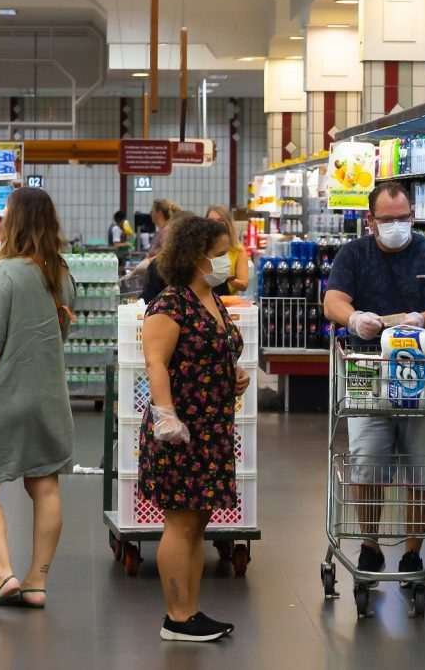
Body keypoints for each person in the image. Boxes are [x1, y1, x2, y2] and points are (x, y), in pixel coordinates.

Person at [323, 181, 425, 579]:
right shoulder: (353, 255)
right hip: (368, 371)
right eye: (387, 220)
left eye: (403, 218)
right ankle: (369, 545)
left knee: (423, 465)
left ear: (413, 217)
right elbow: (332, 299)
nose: (396, 225)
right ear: (370, 221)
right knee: (367, 462)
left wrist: (422, 319)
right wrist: (352, 318)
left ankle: (413, 552)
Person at [0, 187, 75, 616]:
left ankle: (4, 574)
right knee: (45, 484)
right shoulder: (61, 272)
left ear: (14, 222)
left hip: (2, 397)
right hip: (49, 397)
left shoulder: (3, 272)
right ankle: (37, 582)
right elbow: (60, 332)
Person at [138, 216, 251, 642]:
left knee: (197, 523)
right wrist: (166, 415)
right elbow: (156, 363)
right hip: (181, 430)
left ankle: (191, 611)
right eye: (220, 255)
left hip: (212, 427)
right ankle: (176, 617)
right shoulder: (171, 304)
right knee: (180, 523)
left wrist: (233, 373)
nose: (227, 262)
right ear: (195, 256)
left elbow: (209, 351)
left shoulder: (211, 299)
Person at [205, 205, 249, 295]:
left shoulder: (238, 250)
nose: (215, 225)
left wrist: (227, 278)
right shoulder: (199, 247)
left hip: (227, 302)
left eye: (220, 221)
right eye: (211, 221)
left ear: (227, 224)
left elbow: (244, 285)